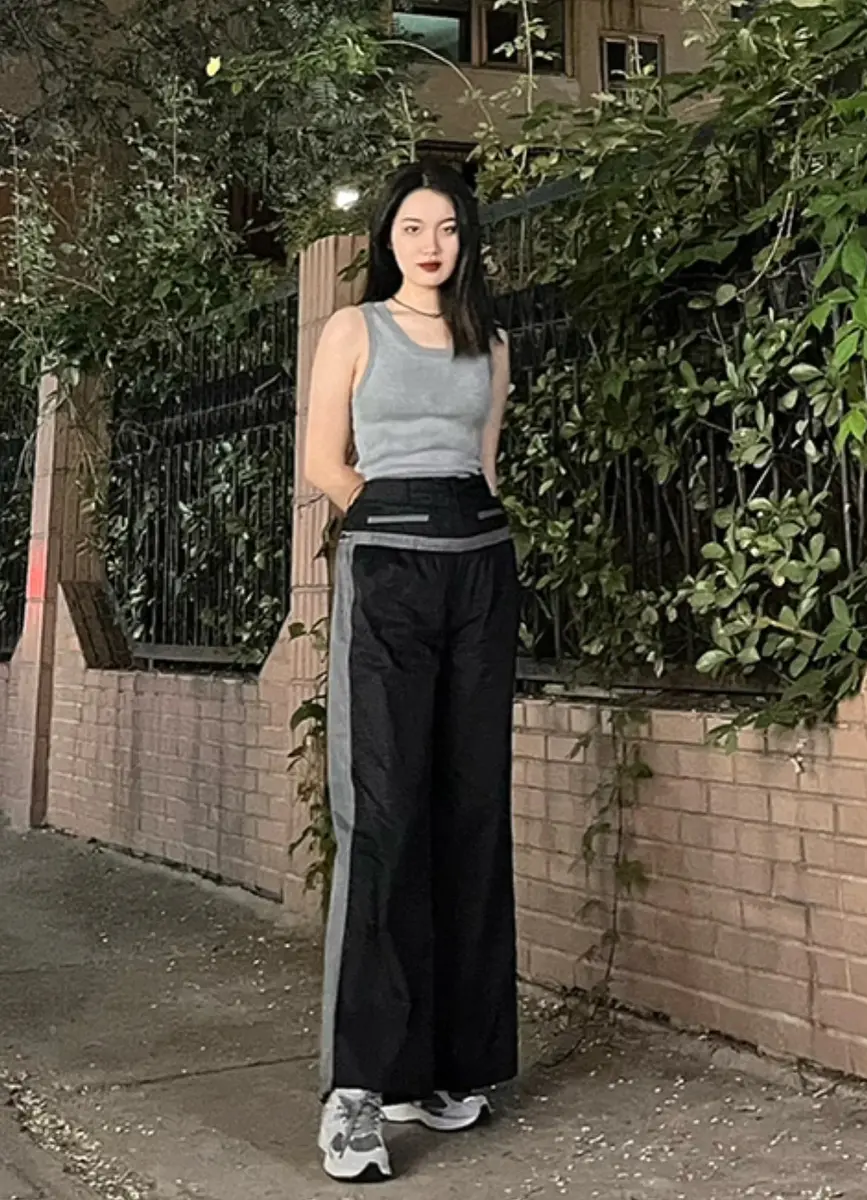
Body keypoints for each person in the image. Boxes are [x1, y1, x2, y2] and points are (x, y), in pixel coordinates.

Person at [303, 160, 519, 1183]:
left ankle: (447, 1067)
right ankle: (357, 1091)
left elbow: (486, 462)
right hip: (389, 569)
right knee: (383, 817)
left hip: (481, 572)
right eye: (412, 228)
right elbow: (323, 462)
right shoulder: (356, 330)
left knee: (471, 812)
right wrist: (391, 519)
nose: (430, 245)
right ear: (389, 239)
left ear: (466, 239)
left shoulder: (491, 343)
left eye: (447, 229)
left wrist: (464, 531)